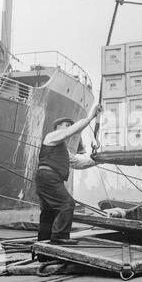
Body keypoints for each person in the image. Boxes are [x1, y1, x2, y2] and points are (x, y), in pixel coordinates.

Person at [35, 104, 102, 245]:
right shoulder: (51, 136)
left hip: (47, 179)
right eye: (66, 125)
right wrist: (91, 117)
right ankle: (60, 237)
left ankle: (43, 245)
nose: (68, 127)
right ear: (57, 127)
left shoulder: (63, 150)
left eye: (69, 125)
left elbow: (78, 163)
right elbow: (71, 131)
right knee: (67, 204)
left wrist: (99, 160)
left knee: (49, 212)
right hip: (49, 177)